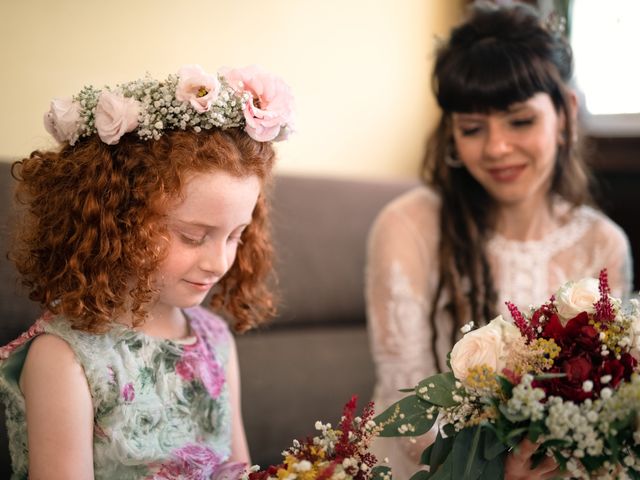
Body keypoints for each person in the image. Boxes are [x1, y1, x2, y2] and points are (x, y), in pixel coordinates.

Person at [366, 2, 633, 478]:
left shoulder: (602, 243)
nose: (496, 148)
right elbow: (405, 400)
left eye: (519, 121)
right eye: (472, 128)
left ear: (565, 112)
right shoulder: (406, 227)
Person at [0, 64, 294, 479]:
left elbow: (240, 469)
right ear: (116, 222)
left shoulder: (214, 340)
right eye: (193, 237)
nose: (219, 262)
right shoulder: (66, 359)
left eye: (235, 236)